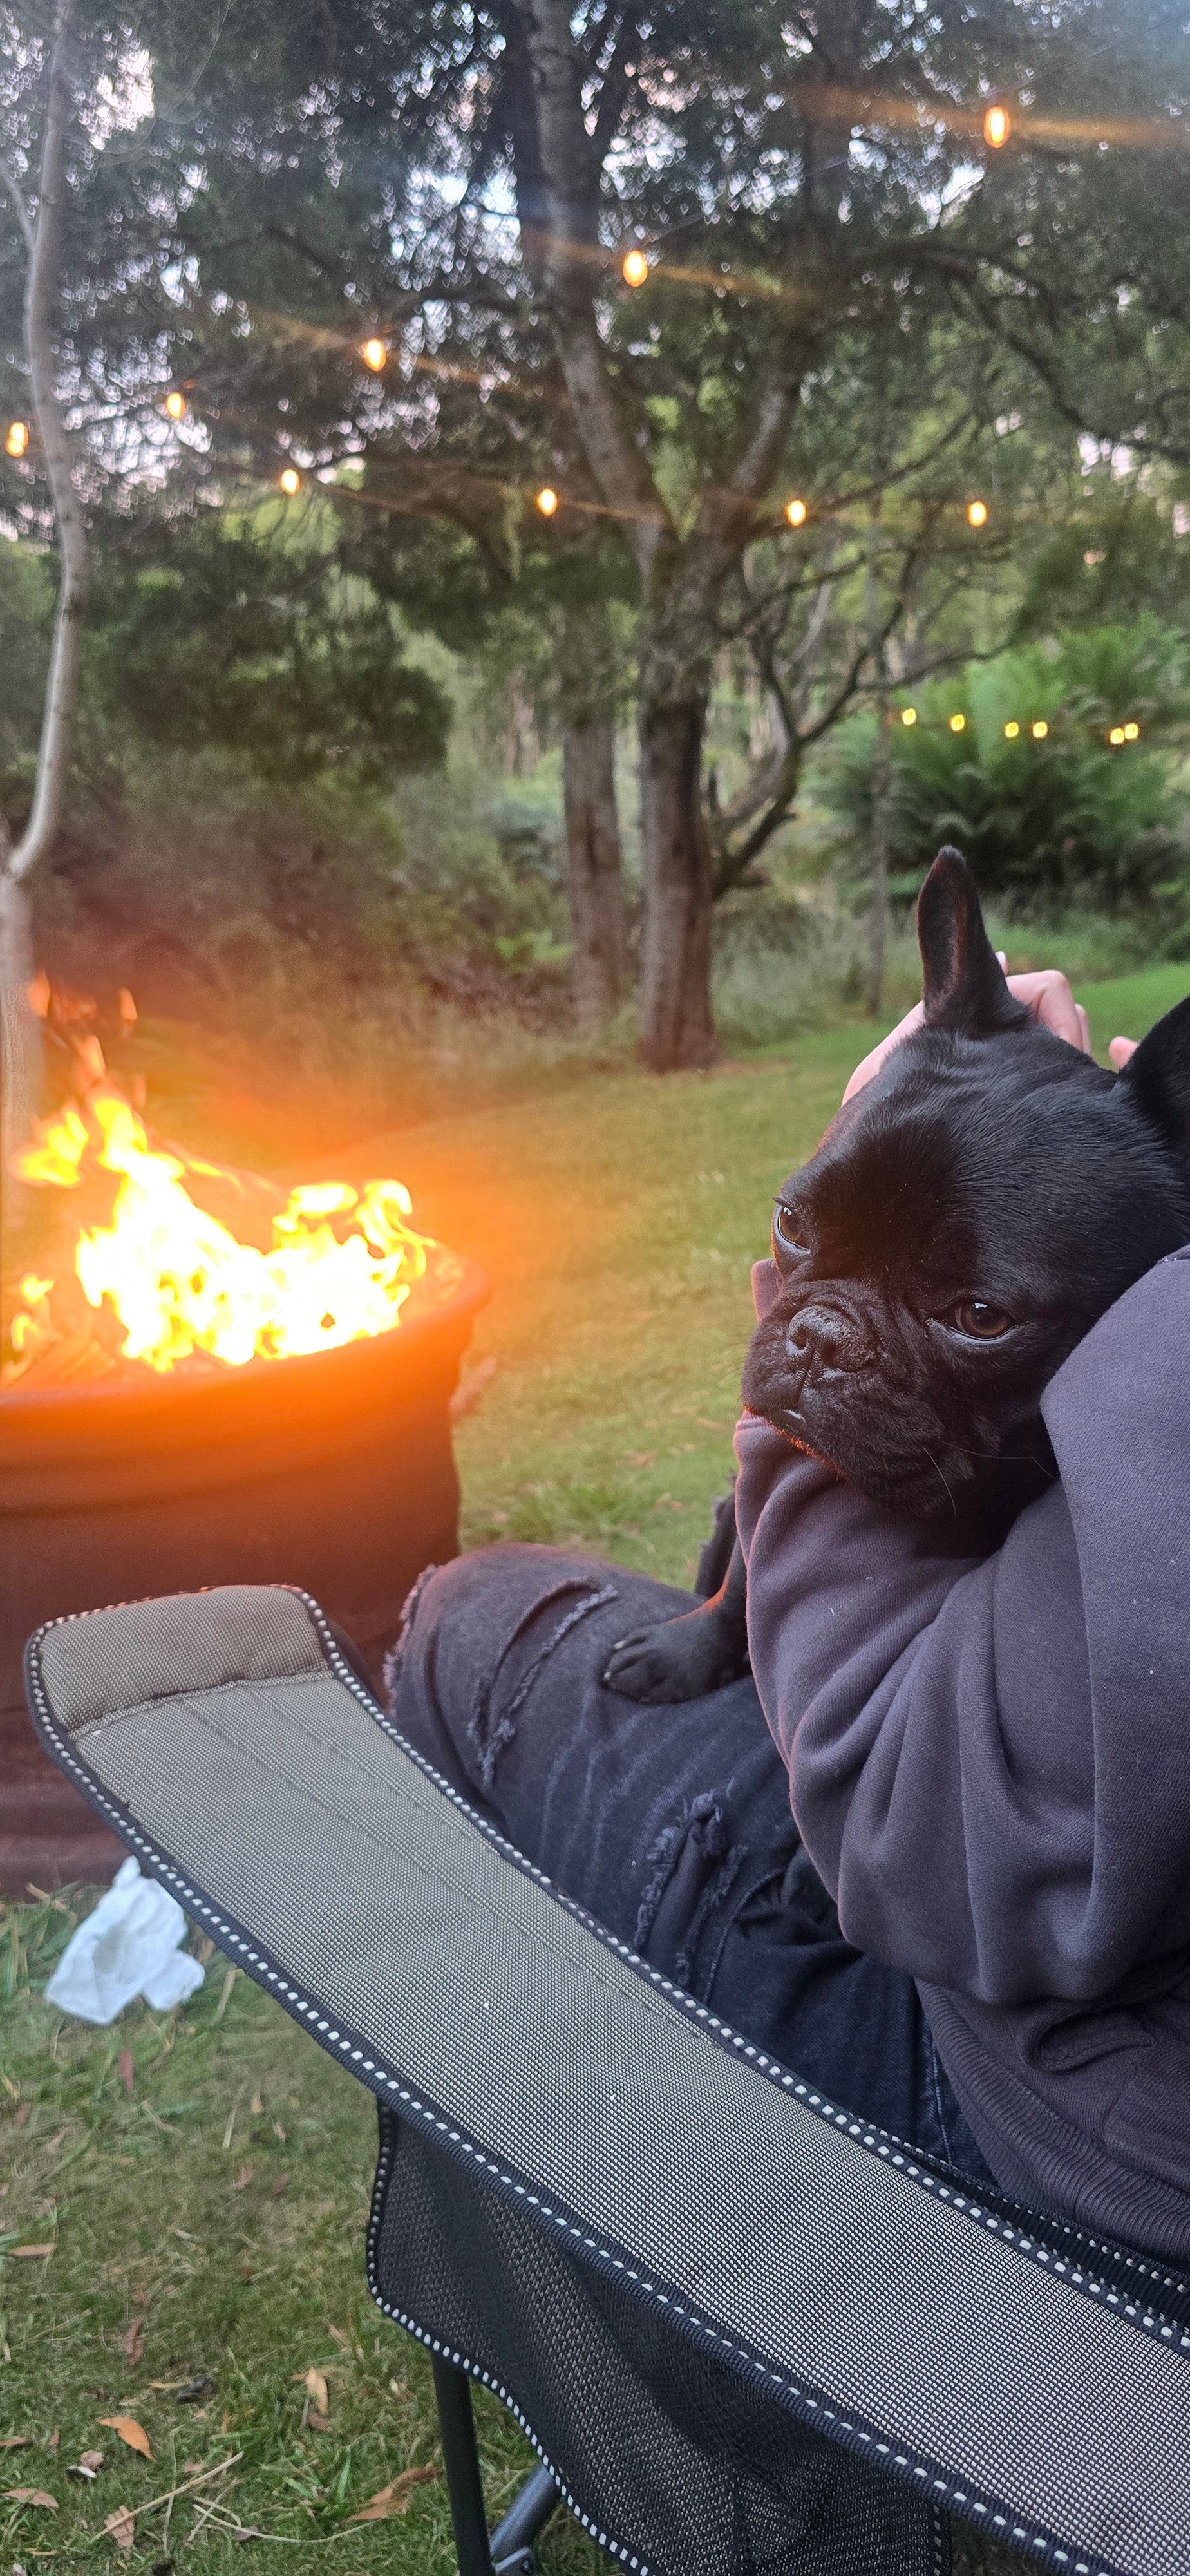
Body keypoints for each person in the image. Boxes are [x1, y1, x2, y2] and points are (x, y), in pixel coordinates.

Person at [389, 980, 1190, 2259]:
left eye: (975, 1313)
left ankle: (508, 2175)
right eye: (802, 1232)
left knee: (467, 1616)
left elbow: (908, 1842)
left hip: (1062, 2149)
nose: (815, 1333)